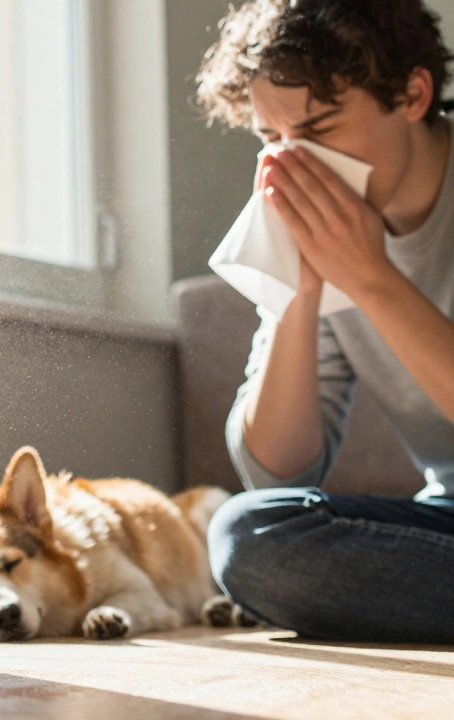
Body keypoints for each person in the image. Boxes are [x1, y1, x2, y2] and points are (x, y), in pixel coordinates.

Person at [196, 0, 454, 642]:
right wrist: (298, 295)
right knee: (248, 533)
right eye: (272, 139)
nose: (295, 165)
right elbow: (277, 472)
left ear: (414, 94)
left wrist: (371, 278)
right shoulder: (325, 233)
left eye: (320, 130)